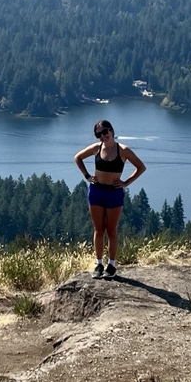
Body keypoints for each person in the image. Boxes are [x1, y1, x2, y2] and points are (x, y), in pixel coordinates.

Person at [75, 119, 147, 278]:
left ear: (111, 131)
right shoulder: (96, 148)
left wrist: (126, 183)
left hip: (114, 193)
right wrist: (87, 176)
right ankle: (99, 264)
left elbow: (141, 167)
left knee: (112, 230)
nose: (102, 136)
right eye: (98, 134)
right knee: (99, 230)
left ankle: (112, 265)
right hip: (96, 191)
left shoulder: (123, 150)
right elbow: (78, 158)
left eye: (104, 132)